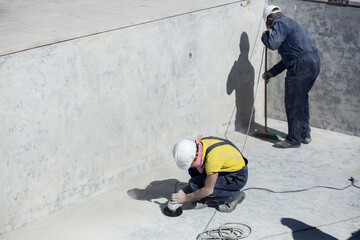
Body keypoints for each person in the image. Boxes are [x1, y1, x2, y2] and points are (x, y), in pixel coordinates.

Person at [261, 5, 321, 148]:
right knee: (301, 99)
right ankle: (304, 134)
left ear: (270, 19)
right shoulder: (293, 24)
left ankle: (293, 139)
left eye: (268, 25)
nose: (270, 28)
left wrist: (265, 36)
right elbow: (290, 58)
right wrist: (272, 72)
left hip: (301, 65)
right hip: (314, 63)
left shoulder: (279, 23)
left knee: (293, 102)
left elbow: (273, 44)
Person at [170, 135, 248, 212]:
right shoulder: (198, 147)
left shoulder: (213, 160)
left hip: (236, 177)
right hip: (224, 168)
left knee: (199, 187)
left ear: (196, 155)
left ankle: (234, 196)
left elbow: (208, 190)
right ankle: (200, 193)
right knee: (193, 170)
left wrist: (186, 198)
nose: (189, 166)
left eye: (189, 163)